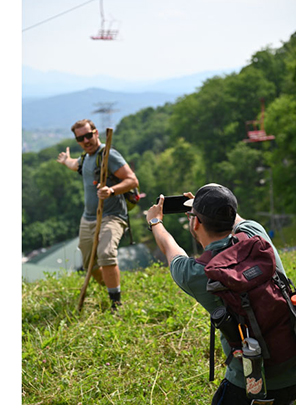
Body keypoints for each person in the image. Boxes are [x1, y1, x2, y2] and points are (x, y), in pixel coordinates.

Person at [146, 183, 296, 405]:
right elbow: (235, 218)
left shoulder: (195, 274)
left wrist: (155, 221)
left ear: (195, 222)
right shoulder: (258, 236)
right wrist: (214, 202)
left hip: (252, 384)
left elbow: (170, 248)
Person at [57, 119, 139, 311]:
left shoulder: (108, 155)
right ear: (77, 141)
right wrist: (64, 160)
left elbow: (132, 180)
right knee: (90, 266)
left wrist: (111, 190)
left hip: (112, 215)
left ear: (96, 133)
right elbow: (74, 164)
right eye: (80, 138)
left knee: (106, 253)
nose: (86, 140)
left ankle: (116, 303)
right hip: (88, 218)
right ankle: (113, 286)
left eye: (88, 135)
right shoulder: (85, 158)